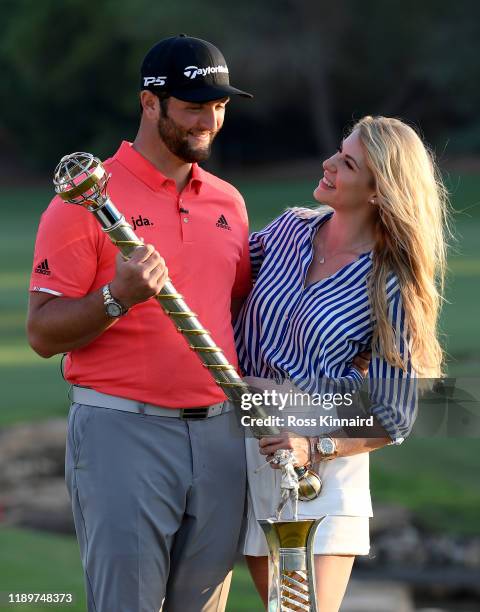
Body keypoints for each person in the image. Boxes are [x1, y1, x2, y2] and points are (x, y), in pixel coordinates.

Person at [27, 35, 253, 612]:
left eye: (218, 105)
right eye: (193, 104)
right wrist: (115, 298)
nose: (208, 119)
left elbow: (232, 314)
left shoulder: (228, 202)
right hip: (124, 433)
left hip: (221, 437)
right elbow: (43, 332)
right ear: (150, 103)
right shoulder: (82, 199)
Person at [234, 116, 448, 611]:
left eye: (348, 164)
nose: (329, 164)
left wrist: (314, 445)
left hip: (322, 470)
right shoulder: (287, 230)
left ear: (379, 191)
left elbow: (395, 415)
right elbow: (220, 284)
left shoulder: (391, 281)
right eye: (338, 151)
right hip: (249, 450)